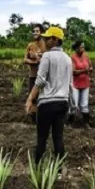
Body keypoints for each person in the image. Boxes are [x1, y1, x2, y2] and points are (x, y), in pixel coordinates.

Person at [25, 26, 72, 164]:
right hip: (63, 102)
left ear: (55, 40)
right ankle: (58, 171)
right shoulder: (68, 59)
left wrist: (30, 99)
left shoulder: (47, 56)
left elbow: (40, 80)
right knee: (58, 138)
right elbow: (70, 83)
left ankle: (38, 168)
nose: (45, 40)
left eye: (48, 38)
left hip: (47, 103)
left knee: (42, 138)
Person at [24, 24, 47, 122]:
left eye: (37, 31)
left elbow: (48, 59)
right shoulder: (30, 45)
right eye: (34, 31)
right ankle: (34, 119)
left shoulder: (46, 45)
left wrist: (38, 57)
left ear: (41, 32)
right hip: (33, 75)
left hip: (43, 76)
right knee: (32, 97)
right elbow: (25, 59)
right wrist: (35, 61)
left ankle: (43, 118)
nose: (35, 33)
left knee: (43, 98)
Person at [69, 40, 92, 129]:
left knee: (84, 104)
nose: (83, 48)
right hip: (75, 84)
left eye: (83, 47)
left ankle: (86, 123)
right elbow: (73, 71)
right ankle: (71, 123)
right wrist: (84, 71)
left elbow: (90, 67)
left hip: (85, 84)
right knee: (74, 104)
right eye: (81, 47)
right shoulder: (73, 58)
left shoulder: (86, 57)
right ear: (77, 48)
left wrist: (90, 71)